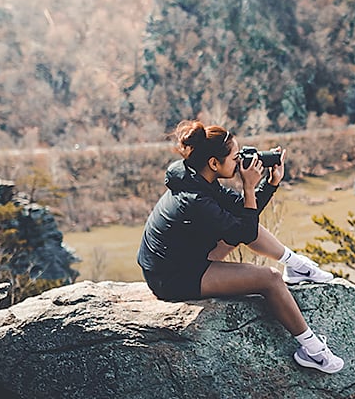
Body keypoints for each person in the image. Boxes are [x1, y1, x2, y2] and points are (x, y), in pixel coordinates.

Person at [137, 120, 343, 373]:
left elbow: (243, 216)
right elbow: (245, 229)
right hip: (172, 278)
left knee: (240, 223)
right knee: (270, 279)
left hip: (182, 259)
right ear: (214, 163)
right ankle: (314, 352)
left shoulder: (197, 180)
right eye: (236, 157)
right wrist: (248, 185)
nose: (240, 162)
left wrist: (269, 183)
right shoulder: (195, 199)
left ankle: (297, 265)